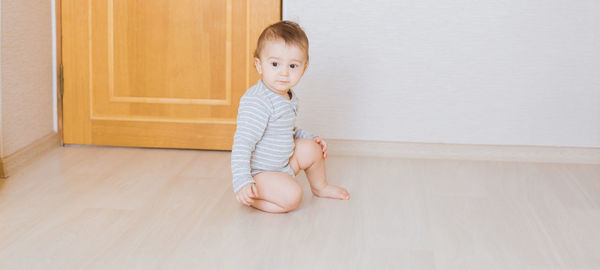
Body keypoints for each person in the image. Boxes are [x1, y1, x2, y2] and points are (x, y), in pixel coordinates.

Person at [231, 21, 350, 213]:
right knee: (293, 196)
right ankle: (252, 196)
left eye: (293, 65)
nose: (284, 72)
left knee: (313, 149)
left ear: (304, 68)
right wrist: (242, 180)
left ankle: (320, 187)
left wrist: (309, 138)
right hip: (261, 173)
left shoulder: (288, 97)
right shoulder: (258, 101)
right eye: (275, 64)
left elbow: (285, 130)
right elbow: (242, 143)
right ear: (259, 65)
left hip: (283, 163)